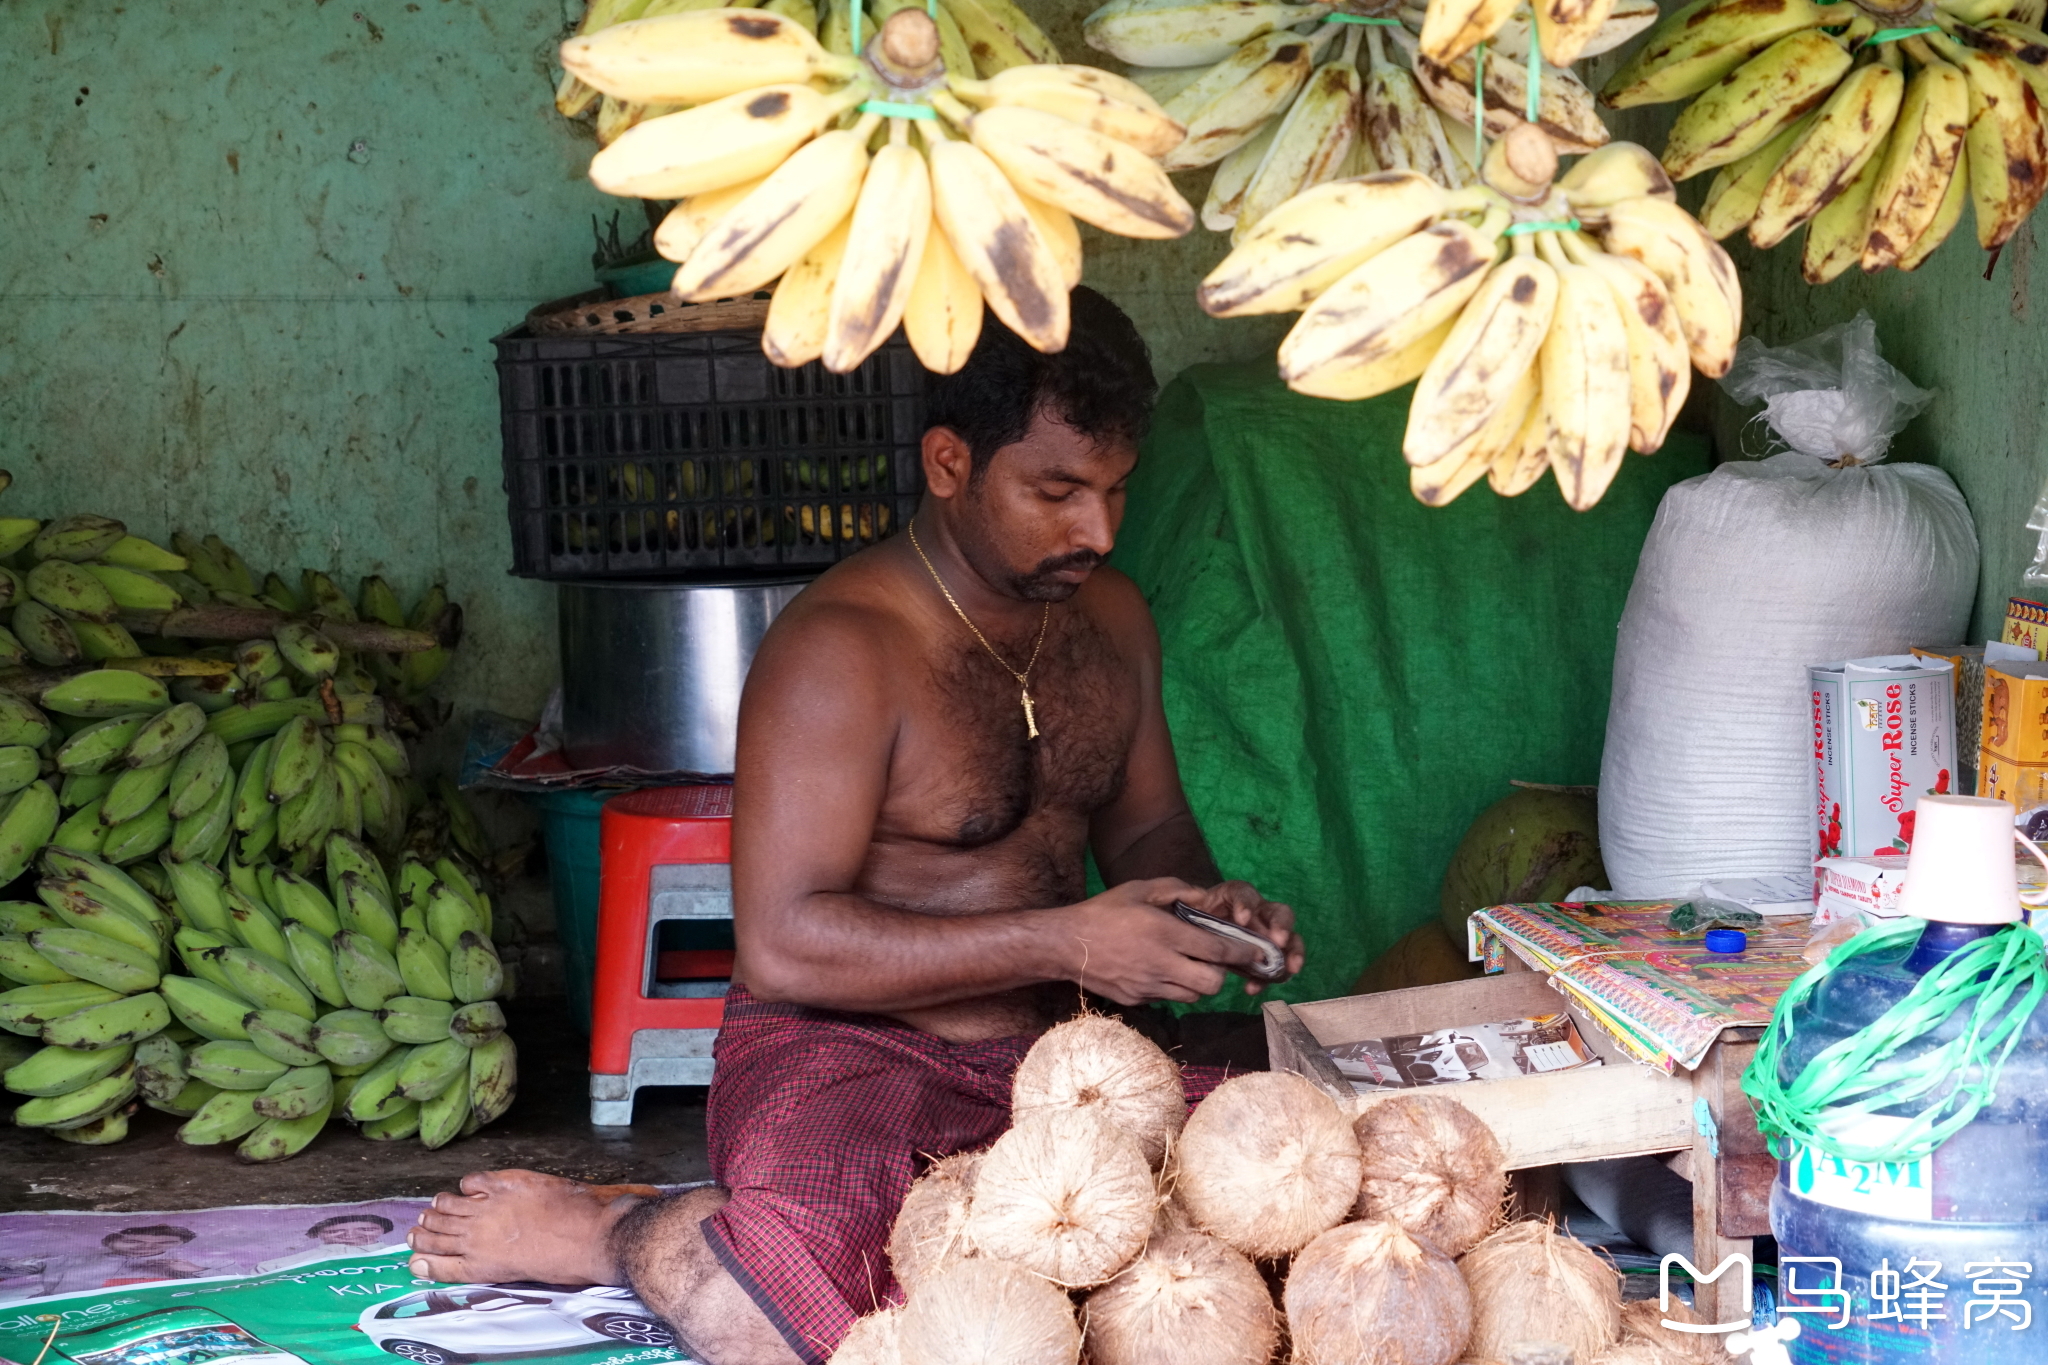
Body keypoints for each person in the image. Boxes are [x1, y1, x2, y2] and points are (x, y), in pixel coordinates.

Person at [404, 289, 1302, 1365]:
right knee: (792, 1322)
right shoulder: (842, 650)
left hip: (1071, 1059)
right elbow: (783, 946)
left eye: (1114, 491)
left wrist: (1206, 910)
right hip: (853, 1055)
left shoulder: (1110, 620)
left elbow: (1149, 830)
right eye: (1055, 491)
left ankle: (745, 1227)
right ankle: (622, 1228)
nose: (1096, 531)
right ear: (945, 463)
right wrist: (1070, 939)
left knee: (1288, 1211)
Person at [0, 1226, 219, 1301]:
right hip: (62, 1316)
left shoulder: (192, 1264)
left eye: (165, 1242)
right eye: (133, 1241)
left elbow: (237, 1287)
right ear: (109, 1241)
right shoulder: (70, 1257)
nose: (146, 1248)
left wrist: (200, 1271)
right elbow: (11, 1270)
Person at [254, 1213, 399, 1273]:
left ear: (383, 1230)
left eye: (366, 1229)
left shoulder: (400, 1255)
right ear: (318, 1234)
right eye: (335, 1231)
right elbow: (263, 1271)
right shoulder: (277, 1265)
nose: (350, 1236)